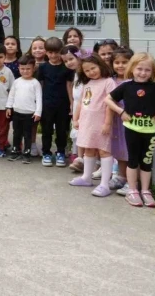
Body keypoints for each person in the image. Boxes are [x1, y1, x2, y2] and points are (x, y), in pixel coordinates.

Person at [106, 53, 155, 207]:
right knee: (133, 160)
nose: (143, 73)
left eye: (147, 70)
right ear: (132, 69)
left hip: (149, 130)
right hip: (132, 129)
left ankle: (145, 190)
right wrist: (121, 112)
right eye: (139, 69)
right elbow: (108, 99)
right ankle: (132, 190)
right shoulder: (126, 86)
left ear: (152, 72)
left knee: (146, 161)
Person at [68, 54, 117, 197]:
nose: (91, 72)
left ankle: (104, 184)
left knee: (104, 151)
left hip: (101, 122)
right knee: (88, 149)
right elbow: (81, 103)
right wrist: (75, 119)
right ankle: (86, 177)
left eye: (93, 68)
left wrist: (107, 123)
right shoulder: (88, 83)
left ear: (100, 65)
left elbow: (110, 105)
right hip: (87, 122)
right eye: (87, 70)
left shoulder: (108, 82)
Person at [36, 37, 74, 167]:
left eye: (56, 52)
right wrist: (38, 103)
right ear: (46, 52)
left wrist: (71, 103)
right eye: (50, 52)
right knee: (46, 130)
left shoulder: (67, 67)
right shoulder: (43, 67)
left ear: (61, 51)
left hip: (63, 104)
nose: (53, 55)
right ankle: (46, 152)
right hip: (47, 104)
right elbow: (40, 85)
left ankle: (61, 152)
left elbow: (69, 85)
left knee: (62, 130)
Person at [6, 55, 42, 163]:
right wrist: (9, 107)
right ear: (19, 68)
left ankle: (27, 153)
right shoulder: (17, 81)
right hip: (17, 112)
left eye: (28, 69)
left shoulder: (35, 83)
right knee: (16, 133)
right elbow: (11, 95)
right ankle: (15, 150)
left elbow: (39, 98)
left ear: (33, 69)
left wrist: (38, 112)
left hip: (29, 114)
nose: (25, 71)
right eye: (22, 68)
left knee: (27, 134)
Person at [110, 47, 134, 196]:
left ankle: (133, 181)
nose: (120, 65)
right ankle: (121, 176)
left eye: (124, 62)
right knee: (118, 148)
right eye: (117, 62)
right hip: (115, 120)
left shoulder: (134, 81)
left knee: (129, 148)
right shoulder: (111, 81)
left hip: (131, 120)